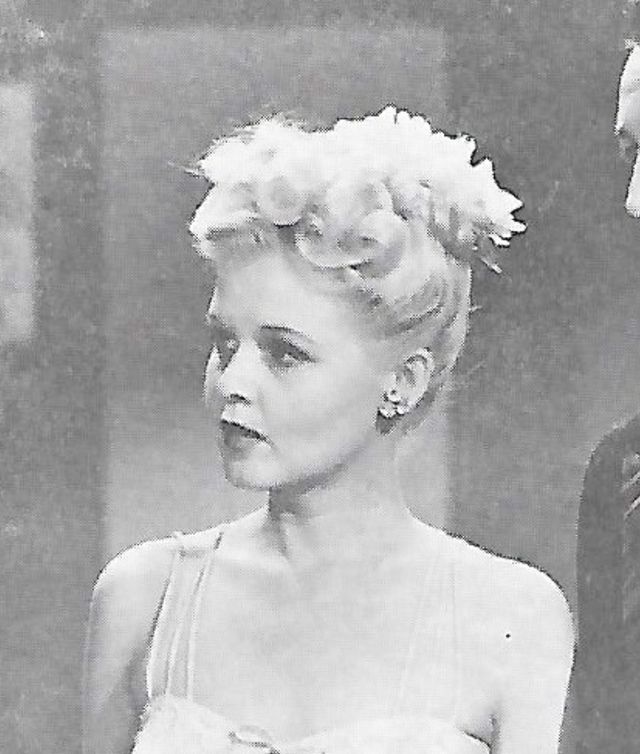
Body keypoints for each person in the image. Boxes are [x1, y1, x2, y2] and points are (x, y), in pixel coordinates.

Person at [83, 108, 574, 754]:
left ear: (403, 381)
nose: (233, 382)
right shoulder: (143, 598)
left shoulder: (513, 618)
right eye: (224, 344)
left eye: (285, 353)